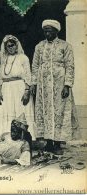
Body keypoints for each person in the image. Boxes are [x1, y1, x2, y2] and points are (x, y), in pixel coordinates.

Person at [31, 20, 79, 155]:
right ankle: (48, 142)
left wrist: (67, 85)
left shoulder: (65, 46)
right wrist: (34, 83)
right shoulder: (39, 46)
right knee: (45, 111)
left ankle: (57, 143)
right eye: (45, 31)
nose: (47, 33)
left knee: (59, 111)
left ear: (56, 31)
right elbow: (35, 66)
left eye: (50, 31)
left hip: (59, 84)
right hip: (43, 86)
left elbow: (70, 66)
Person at [0, 35, 35, 141]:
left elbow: (28, 75)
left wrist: (27, 91)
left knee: (20, 110)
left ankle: (23, 137)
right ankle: (5, 136)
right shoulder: (3, 59)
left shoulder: (23, 58)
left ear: (17, 45)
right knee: (2, 111)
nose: (10, 48)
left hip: (19, 87)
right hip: (6, 89)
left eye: (12, 45)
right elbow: (0, 77)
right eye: (8, 46)